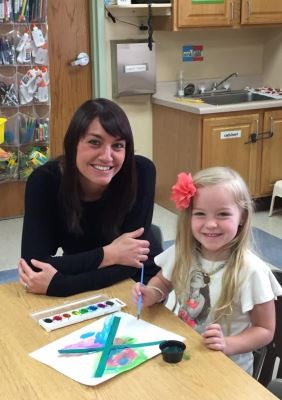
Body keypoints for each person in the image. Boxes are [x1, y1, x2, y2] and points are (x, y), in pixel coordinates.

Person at [133, 167, 282, 374]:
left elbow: (265, 330)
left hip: (228, 371)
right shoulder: (182, 252)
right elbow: (164, 281)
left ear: (242, 217)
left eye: (223, 214)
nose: (211, 224)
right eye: (200, 214)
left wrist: (228, 344)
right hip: (186, 354)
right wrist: (153, 293)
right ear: (189, 217)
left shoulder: (252, 271)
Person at [18, 98, 161, 297]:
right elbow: (33, 267)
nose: (107, 156)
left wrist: (62, 285)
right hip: (86, 277)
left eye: (118, 145)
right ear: (73, 144)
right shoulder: (45, 181)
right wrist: (109, 254)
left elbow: (133, 264)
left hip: (139, 285)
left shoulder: (141, 172)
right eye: (95, 142)